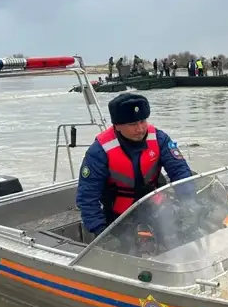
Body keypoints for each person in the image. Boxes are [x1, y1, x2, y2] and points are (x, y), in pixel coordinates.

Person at [76, 93, 196, 239]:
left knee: (183, 234)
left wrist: (189, 201)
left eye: (142, 121)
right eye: (132, 124)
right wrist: (101, 232)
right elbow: (87, 197)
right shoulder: (99, 152)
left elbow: (179, 170)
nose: (140, 129)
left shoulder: (159, 139)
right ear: (117, 126)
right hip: (120, 216)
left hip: (156, 206)